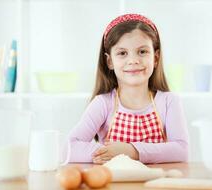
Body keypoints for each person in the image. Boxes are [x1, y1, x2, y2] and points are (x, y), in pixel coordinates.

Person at [67, 13, 189, 164]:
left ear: (155, 58)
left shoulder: (169, 101)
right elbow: (69, 147)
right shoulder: (103, 104)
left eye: (142, 51)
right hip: (112, 186)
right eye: (122, 53)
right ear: (109, 61)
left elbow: (181, 151)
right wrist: (110, 153)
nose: (133, 61)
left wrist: (130, 151)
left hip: (156, 185)